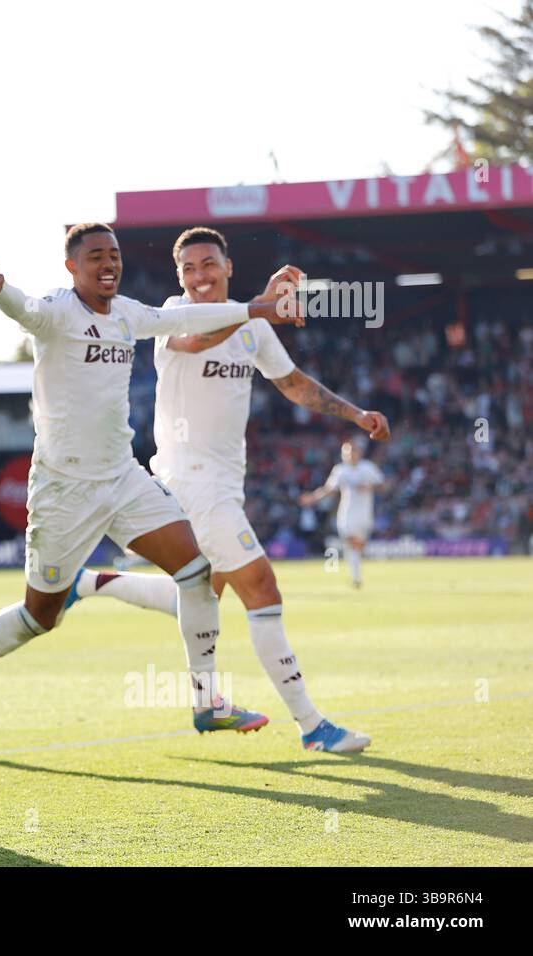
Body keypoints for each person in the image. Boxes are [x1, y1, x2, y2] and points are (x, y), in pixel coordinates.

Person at [0, 223, 303, 740]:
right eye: (95, 257)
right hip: (64, 490)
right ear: (72, 267)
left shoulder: (129, 313)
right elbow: (28, 310)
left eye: (113, 255)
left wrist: (258, 309)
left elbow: (189, 318)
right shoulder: (59, 310)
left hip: (123, 478)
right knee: (40, 616)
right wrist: (0, 290)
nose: (108, 264)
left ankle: (207, 702)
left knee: (197, 573)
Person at [68, 227, 386, 753]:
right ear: (179, 278)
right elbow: (196, 338)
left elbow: (292, 382)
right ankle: (312, 726)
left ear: (227, 267)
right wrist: (259, 306)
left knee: (198, 595)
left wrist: (356, 415)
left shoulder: (251, 324)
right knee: (260, 585)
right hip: (188, 479)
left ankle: (90, 588)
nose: (199, 276)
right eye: (189, 268)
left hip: (223, 482)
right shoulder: (174, 314)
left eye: (208, 264)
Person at [301, 440, 387, 589]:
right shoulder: (340, 470)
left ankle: (356, 573)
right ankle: (356, 576)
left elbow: (384, 485)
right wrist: (313, 498)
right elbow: (329, 490)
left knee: (355, 546)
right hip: (346, 512)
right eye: (345, 453)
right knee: (348, 538)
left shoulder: (368, 468)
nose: (348, 455)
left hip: (364, 513)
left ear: (358, 453)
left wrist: (369, 487)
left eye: (351, 452)